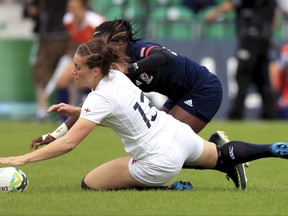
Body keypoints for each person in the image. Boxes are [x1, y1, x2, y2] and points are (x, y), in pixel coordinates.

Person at [0, 37, 287, 191]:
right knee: (222, 155)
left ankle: (167, 189)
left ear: (96, 70)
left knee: (89, 183)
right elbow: (117, 112)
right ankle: (272, 149)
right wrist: (78, 110)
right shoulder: (116, 76)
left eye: (78, 66)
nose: (74, 71)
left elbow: (69, 143)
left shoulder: (101, 96)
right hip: (178, 135)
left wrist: (20, 158)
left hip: (158, 161)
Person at [29, 19, 248, 189]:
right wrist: (54, 135)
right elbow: (89, 109)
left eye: (102, 44)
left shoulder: (139, 49)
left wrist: (132, 69)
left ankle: (227, 157)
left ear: (119, 43)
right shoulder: (111, 71)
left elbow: (166, 56)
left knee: (167, 148)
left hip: (202, 89)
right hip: (177, 95)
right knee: (159, 146)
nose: (99, 50)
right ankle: (220, 151)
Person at [205, 0, 277, 120]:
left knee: (243, 77)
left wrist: (214, 14)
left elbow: (231, 4)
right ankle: (269, 113)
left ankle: (237, 113)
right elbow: (276, 14)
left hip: (249, 41)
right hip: (263, 41)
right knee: (262, 78)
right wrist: (270, 34)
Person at [52, 0, 107, 112]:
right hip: (81, 56)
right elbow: (73, 39)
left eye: (76, 7)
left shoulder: (95, 21)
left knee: (88, 84)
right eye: (70, 7)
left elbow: (106, 40)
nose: (73, 10)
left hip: (97, 58)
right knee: (62, 81)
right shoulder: (68, 19)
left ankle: (91, 110)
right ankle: (64, 117)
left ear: (83, 8)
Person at [24, 0, 69, 121]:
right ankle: (67, 112)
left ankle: (42, 111)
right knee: (68, 74)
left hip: (48, 37)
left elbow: (30, 11)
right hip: (66, 35)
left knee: (40, 73)